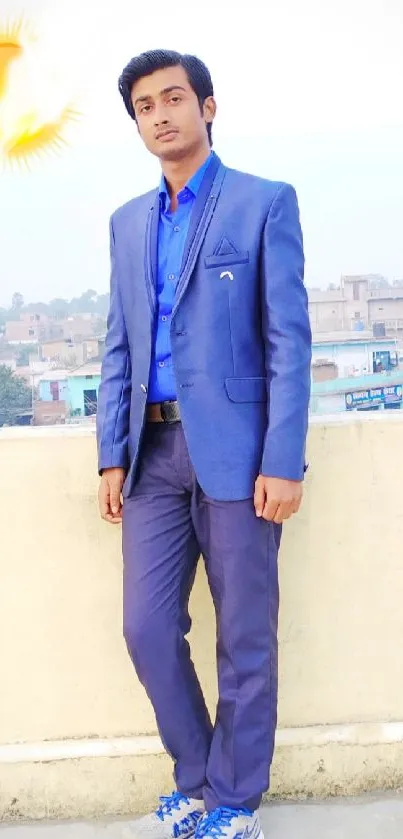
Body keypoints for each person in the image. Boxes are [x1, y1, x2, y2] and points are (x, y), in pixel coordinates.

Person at [97, 49, 312, 839]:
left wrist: (282, 459)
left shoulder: (262, 203)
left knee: (244, 633)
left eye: (173, 98)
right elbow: (117, 344)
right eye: (145, 106)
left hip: (238, 455)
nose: (159, 114)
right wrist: (110, 453)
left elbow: (288, 339)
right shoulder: (127, 223)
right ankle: (197, 777)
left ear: (207, 107)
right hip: (150, 457)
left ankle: (233, 802)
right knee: (147, 628)